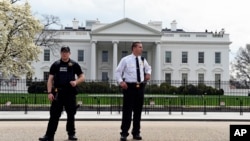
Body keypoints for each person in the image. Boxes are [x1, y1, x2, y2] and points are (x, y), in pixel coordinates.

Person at [39, 46, 84, 141]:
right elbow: (50, 79)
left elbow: (82, 77)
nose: (65, 53)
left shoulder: (74, 64)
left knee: (71, 115)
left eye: (66, 52)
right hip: (58, 93)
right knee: (54, 115)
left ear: (69, 53)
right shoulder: (56, 65)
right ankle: (49, 136)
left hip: (70, 92)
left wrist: (76, 82)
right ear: (61, 53)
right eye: (63, 52)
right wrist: (49, 92)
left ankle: (71, 134)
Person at [115, 42, 152, 141]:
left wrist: (148, 74)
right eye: (140, 47)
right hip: (129, 87)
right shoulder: (125, 60)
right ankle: (124, 133)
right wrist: (121, 82)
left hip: (140, 87)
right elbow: (118, 72)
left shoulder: (143, 60)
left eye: (142, 47)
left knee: (138, 112)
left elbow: (148, 68)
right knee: (127, 111)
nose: (142, 49)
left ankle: (136, 132)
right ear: (134, 48)